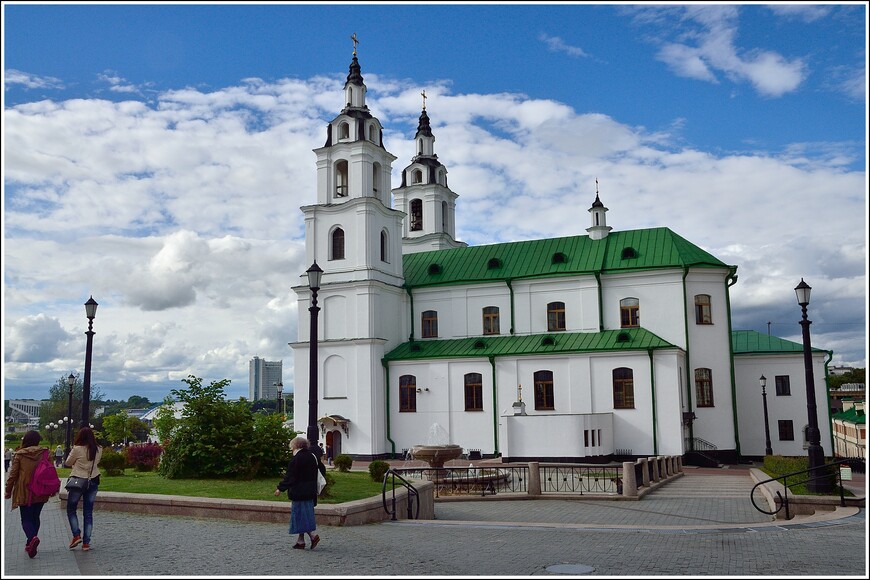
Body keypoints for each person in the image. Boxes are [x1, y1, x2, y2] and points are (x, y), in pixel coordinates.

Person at [4, 430, 56, 558]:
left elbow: (13, 474)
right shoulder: (45, 452)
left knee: (26, 518)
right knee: (35, 517)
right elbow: (51, 469)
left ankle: (32, 538)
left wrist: (8, 490)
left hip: (24, 490)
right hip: (40, 489)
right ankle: (30, 543)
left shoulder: (20, 454)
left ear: (25, 440)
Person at [274, 436, 327, 550]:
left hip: (299, 491)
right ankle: (300, 541)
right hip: (310, 491)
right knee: (306, 514)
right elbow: (322, 470)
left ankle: (312, 536)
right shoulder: (312, 457)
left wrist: (280, 488)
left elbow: (290, 477)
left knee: (299, 515)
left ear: (295, 446)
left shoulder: (296, 459)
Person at [64, 426, 103, 552]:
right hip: (93, 480)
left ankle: (76, 535)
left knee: (71, 509)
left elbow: (68, 463)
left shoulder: (77, 449)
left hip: (78, 481)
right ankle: (86, 543)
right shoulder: (98, 449)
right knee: (88, 512)